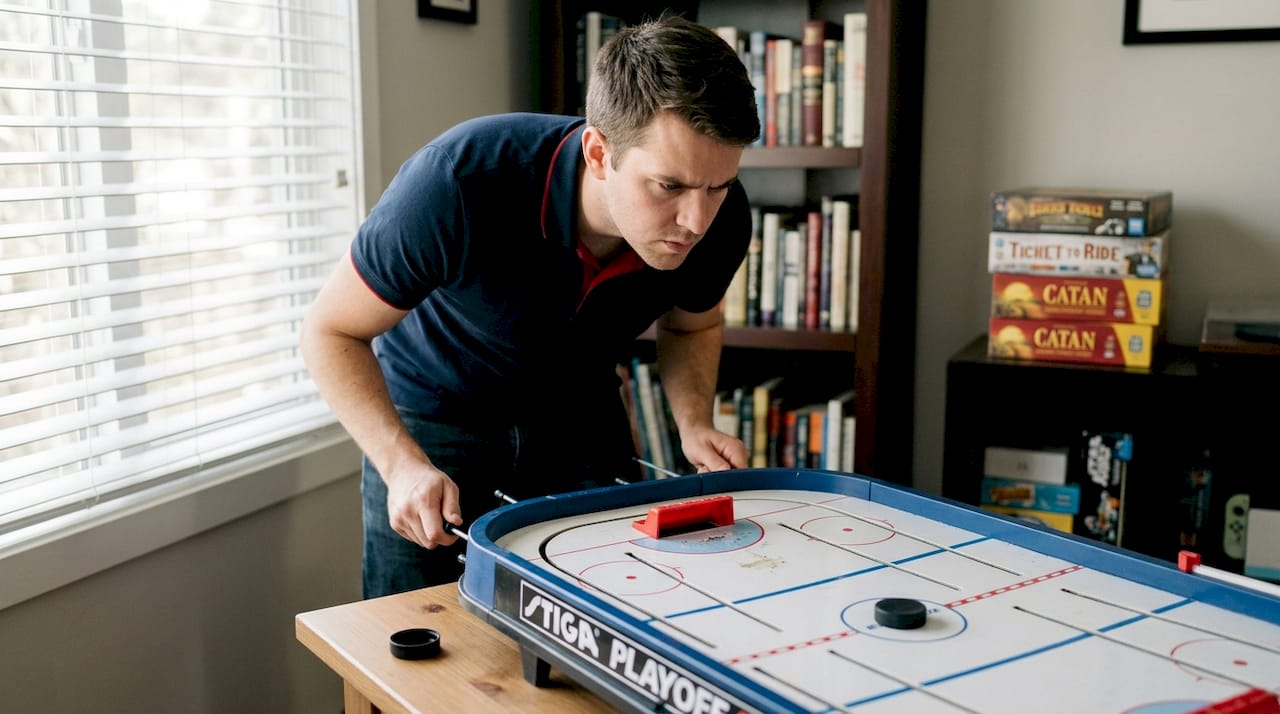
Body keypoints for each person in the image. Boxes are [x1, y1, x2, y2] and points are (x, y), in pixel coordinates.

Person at [300, 15, 761, 598]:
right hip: (433, 423)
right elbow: (330, 331)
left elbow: (693, 326)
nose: (697, 221)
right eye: (669, 187)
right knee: (411, 643)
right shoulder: (457, 180)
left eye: (717, 187)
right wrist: (401, 464)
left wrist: (693, 422)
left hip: (580, 419)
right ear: (598, 153)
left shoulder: (720, 216)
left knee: (611, 616)